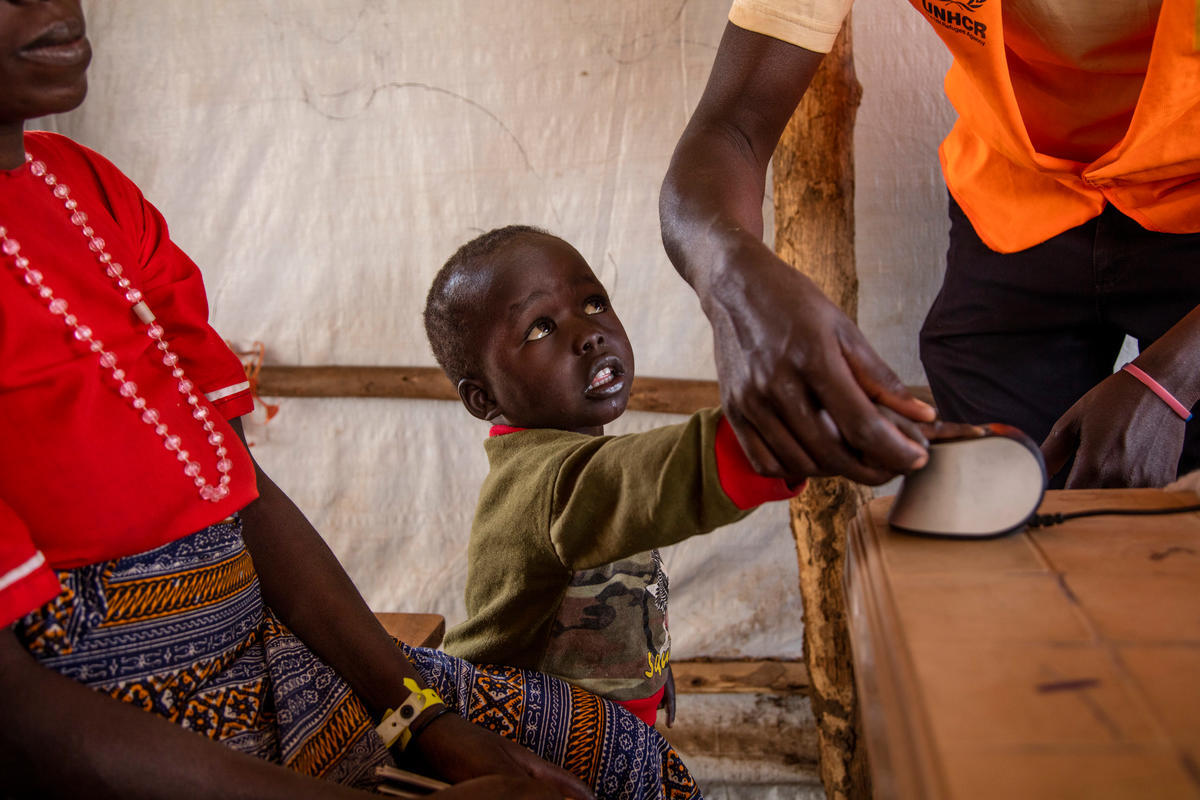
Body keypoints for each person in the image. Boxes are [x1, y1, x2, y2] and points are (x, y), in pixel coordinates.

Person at [0, 3, 689, 798]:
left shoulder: (93, 194)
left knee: (623, 761)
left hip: (272, 658)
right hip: (124, 735)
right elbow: (19, 713)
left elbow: (241, 490)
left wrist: (419, 718)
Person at [659, 0, 1200, 490]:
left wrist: (1172, 380)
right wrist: (735, 284)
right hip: (1015, 193)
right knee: (998, 506)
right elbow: (731, 128)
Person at [423, 225, 804, 737]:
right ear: (484, 399)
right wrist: (770, 436)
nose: (588, 333)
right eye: (540, 328)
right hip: (529, 750)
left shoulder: (578, 457)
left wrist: (648, 671)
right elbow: (645, 479)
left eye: (593, 302)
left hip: (609, 731)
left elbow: (615, 593)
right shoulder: (545, 481)